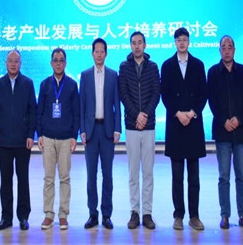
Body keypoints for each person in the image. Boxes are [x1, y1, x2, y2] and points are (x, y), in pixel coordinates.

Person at [160, 27, 208, 231]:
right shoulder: (167, 65)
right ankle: (178, 215)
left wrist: (192, 112)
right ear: (175, 42)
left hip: (193, 124)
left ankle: (194, 216)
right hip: (175, 124)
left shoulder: (198, 64)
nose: (181, 42)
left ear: (189, 42)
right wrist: (178, 113)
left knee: (194, 176)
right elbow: (165, 94)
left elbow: (203, 93)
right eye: (178, 39)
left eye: (184, 39)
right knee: (177, 176)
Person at [207, 35, 243, 230]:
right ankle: (225, 215)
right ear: (219, 50)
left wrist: (239, 119)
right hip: (222, 130)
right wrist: (224, 120)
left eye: (230, 47)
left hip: (241, 131)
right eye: (223, 47)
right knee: (224, 175)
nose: (226, 50)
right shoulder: (213, 72)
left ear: (234, 50)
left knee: (241, 175)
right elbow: (212, 101)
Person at [0, 49, 37, 231]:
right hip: (4, 141)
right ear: (6, 63)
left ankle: (23, 217)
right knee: (6, 181)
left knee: (23, 180)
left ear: (21, 63)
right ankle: (6, 217)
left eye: (16, 61)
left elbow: (33, 111)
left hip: (23, 141)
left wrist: (31, 135)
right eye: (10, 60)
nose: (13, 64)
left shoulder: (28, 83)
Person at [118, 30, 160, 230]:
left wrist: (146, 115)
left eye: (140, 42)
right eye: (133, 43)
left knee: (148, 173)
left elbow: (156, 94)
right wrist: (137, 115)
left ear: (145, 45)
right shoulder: (124, 67)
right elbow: (123, 94)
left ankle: (147, 213)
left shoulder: (153, 67)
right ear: (130, 45)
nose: (136, 46)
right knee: (133, 173)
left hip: (149, 126)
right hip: (132, 126)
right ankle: (134, 212)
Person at [80, 38, 121, 230]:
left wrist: (117, 128)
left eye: (101, 51)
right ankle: (92, 214)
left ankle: (106, 214)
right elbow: (82, 105)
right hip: (90, 131)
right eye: (96, 51)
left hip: (107, 131)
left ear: (106, 53)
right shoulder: (85, 75)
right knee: (91, 175)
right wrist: (82, 130)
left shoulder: (113, 75)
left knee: (107, 175)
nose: (99, 54)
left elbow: (116, 104)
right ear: (92, 54)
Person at [37, 47, 80, 230]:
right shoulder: (45, 85)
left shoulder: (72, 85)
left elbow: (76, 113)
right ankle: (48, 214)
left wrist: (74, 136)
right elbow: (39, 112)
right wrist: (39, 134)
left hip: (65, 138)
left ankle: (63, 215)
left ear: (65, 63)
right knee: (48, 178)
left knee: (64, 178)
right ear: (51, 63)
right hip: (47, 137)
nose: (58, 63)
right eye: (55, 60)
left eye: (61, 60)